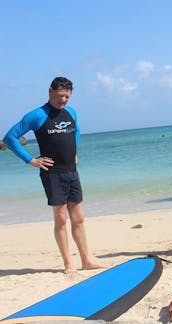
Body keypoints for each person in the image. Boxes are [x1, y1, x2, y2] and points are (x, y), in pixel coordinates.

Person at [3, 77, 103, 274]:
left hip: (71, 171)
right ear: (50, 91)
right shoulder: (37, 115)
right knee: (61, 219)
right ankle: (68, 263)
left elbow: (76, 130)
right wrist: (30, 160)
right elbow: (10, 137)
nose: (63, 100)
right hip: (52, 174)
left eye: (67, 96)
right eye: (60, 96)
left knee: (79, 218)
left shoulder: (71, 112)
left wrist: (74, 152)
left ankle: (86, 259)